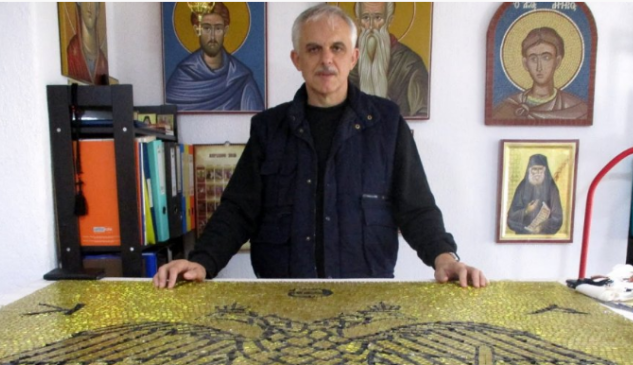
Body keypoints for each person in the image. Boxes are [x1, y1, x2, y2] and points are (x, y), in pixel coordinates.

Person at [154, 4, 487, 289]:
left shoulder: (386, 123)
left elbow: (416, 208)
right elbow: (238, 211)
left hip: (366, 299)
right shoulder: (269, 128)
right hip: (282, 299)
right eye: (314, 49)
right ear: (297, 59)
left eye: (337, 48)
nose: (326, 59)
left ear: (353, 57)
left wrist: (445, 257)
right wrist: (201, 262)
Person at [165, 2, 263, 112]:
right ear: (197, 30)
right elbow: (168, 117)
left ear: (225, 30)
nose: (212, 36)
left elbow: (255, 117)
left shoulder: (241, 79)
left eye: (218, 29)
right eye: (206, 28)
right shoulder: (181, 78)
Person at [348, 2, 429, 117]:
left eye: (378, 17)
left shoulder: (410, 64)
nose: (371, 26)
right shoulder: (346, 62)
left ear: (389, 20)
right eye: (366, 17)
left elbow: (422, 113)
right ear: (358, 21)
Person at [492, 27, 588, 121]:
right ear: (525, 64)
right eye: (533, 59)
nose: (539, 67)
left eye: (546, 58)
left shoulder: (577, 110)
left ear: (557, 61)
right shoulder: (508, 108)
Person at [507, 154, 563, 235]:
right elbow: (510, 219)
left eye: (540, 169)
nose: (537, 173)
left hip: (544, 236)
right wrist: (526, 211)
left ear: (545, 170)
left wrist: (541, 227)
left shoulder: (552, 188)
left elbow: (558, 218)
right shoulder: (522, 187)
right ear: (529, 170)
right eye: (534, 169)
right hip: (523, 235)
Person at [67, 2, 109, 85]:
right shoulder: (73, 51)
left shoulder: (102, 62)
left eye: (93, 2)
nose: (89, 7)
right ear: (79, 6)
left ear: (97, 9)